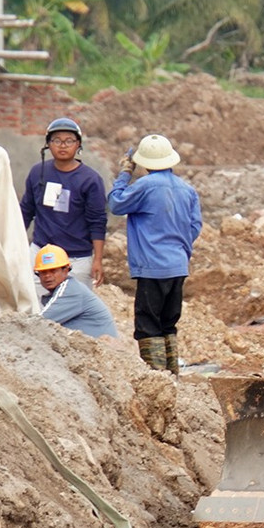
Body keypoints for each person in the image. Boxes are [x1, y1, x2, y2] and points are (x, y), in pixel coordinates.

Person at [107, 134, 203, 373]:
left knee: (148, 325)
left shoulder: (145, 186)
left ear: (145, 162)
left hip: (152, 267)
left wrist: (124, 174)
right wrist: (179, 248)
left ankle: (158, 380)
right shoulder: (187, 189)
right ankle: (172, 376)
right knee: (168, 324)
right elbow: (195, 226)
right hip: (178, 266)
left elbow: (116, 204)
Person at [20, 118, 108, 290]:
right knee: (37, 310)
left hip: (76, 258)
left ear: (78, 145)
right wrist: (15, 245)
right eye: (57, 140)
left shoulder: (90, 180)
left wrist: (97, 259)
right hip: (42, 254)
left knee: (73, 310)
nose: (63, 145)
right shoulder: (38, 172)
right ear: (47, 144)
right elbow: (26, 210)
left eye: (69, 141)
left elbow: (97, 221)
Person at [33, 244, 119, 339]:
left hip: (100, 348)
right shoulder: (67, 289)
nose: (47, 276)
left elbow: (38, 323)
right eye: (43, 272)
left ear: (65, 270)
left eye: (53, 271)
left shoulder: (69, 290)